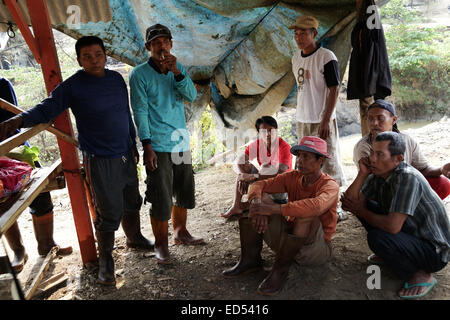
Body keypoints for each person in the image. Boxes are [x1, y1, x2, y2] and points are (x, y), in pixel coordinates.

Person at [0, 36, 154, 286]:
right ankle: (106, 261)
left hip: (125, 152)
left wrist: (133, 142)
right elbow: (47, 108)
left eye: (98, 54)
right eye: (87, 56)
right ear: (79, 59)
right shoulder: (73, 86)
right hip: (100, 158)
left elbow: (125, 113)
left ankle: (134, 237)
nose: (94, 60)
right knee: (108, 210)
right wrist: (19, 120)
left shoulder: (116, 79)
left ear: (105, 55)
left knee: (131, 198)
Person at [223, 136, 339, 296]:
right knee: (259, 200)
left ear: (321, 161)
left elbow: (316, 206)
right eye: (299, 155)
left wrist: (272, 209)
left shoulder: (330, 185)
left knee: (307, 215)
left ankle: (280, 270)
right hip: (290, 241)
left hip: (314, 251)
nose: (299, 161)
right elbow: (259, 184)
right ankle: (250, 260)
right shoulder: (293, 177)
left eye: (306, 156)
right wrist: (258, 204)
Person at [129, 24, 204, 265]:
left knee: (183, 188)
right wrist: (147, 145)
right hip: (158, 144)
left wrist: (177, 72)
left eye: (165, 41)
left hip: (180, 140)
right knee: (160, 195)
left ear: (171, 44)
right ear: (148, 47)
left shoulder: (176, 67)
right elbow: (140, 111)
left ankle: (180, 232)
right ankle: (161, 243)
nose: (162, 46)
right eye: (156, 42)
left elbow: (191, 96)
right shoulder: (139, 74)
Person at [342, 132, 449, 299]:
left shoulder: (407, 178)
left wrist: (359, 210)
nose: (372, 159)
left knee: (377, 237)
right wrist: (362, 174)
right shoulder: (379, 173)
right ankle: (395, 252)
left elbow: (392, 227)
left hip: (434, 251)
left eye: (379, 154)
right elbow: (349, 202)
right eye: (372, 152)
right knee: (364, 207)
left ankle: (420, 274)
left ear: (398, 159)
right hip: (412, 233)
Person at [0, 77, 72, 273]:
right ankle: (19, 251)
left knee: (41, 193)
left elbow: (12, 121)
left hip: (16, 148)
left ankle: (46, 244)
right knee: (3, 204)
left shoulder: (2, 84)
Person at [353, 99, 450, 200]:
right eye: (370, 119)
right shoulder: (363, 147)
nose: (374, 123)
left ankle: (408, 211)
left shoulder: (407, 140)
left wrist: (441, 169)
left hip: (404, 186)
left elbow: (423, 169)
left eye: (380, 118)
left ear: (394, 120)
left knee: (443, 184)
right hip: (380, 191)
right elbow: (371, 182)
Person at [289, 15, 345, 187]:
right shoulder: (295, 58)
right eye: (296, 34)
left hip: (321, 120)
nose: (298, 38)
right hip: (303, 119)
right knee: (305, 161)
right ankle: (312, 196)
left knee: (328, 160)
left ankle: (333, 202)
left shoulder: (326, 57)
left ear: (314, 33)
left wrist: (326, 120)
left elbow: (334, 89)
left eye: (303, 33)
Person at [221, 116, 293, 219]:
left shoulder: (284, 147)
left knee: (265, 166)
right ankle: (236, 206)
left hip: (281, 189)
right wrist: (244, 176)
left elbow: (281, 172)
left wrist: (254, 176)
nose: (267, 134)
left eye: (270, 130)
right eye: (263, 131)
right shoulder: (258, 144)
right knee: (243, 171)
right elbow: (240, 161)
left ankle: (250, 204)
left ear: (276, 130)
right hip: (264, 181)